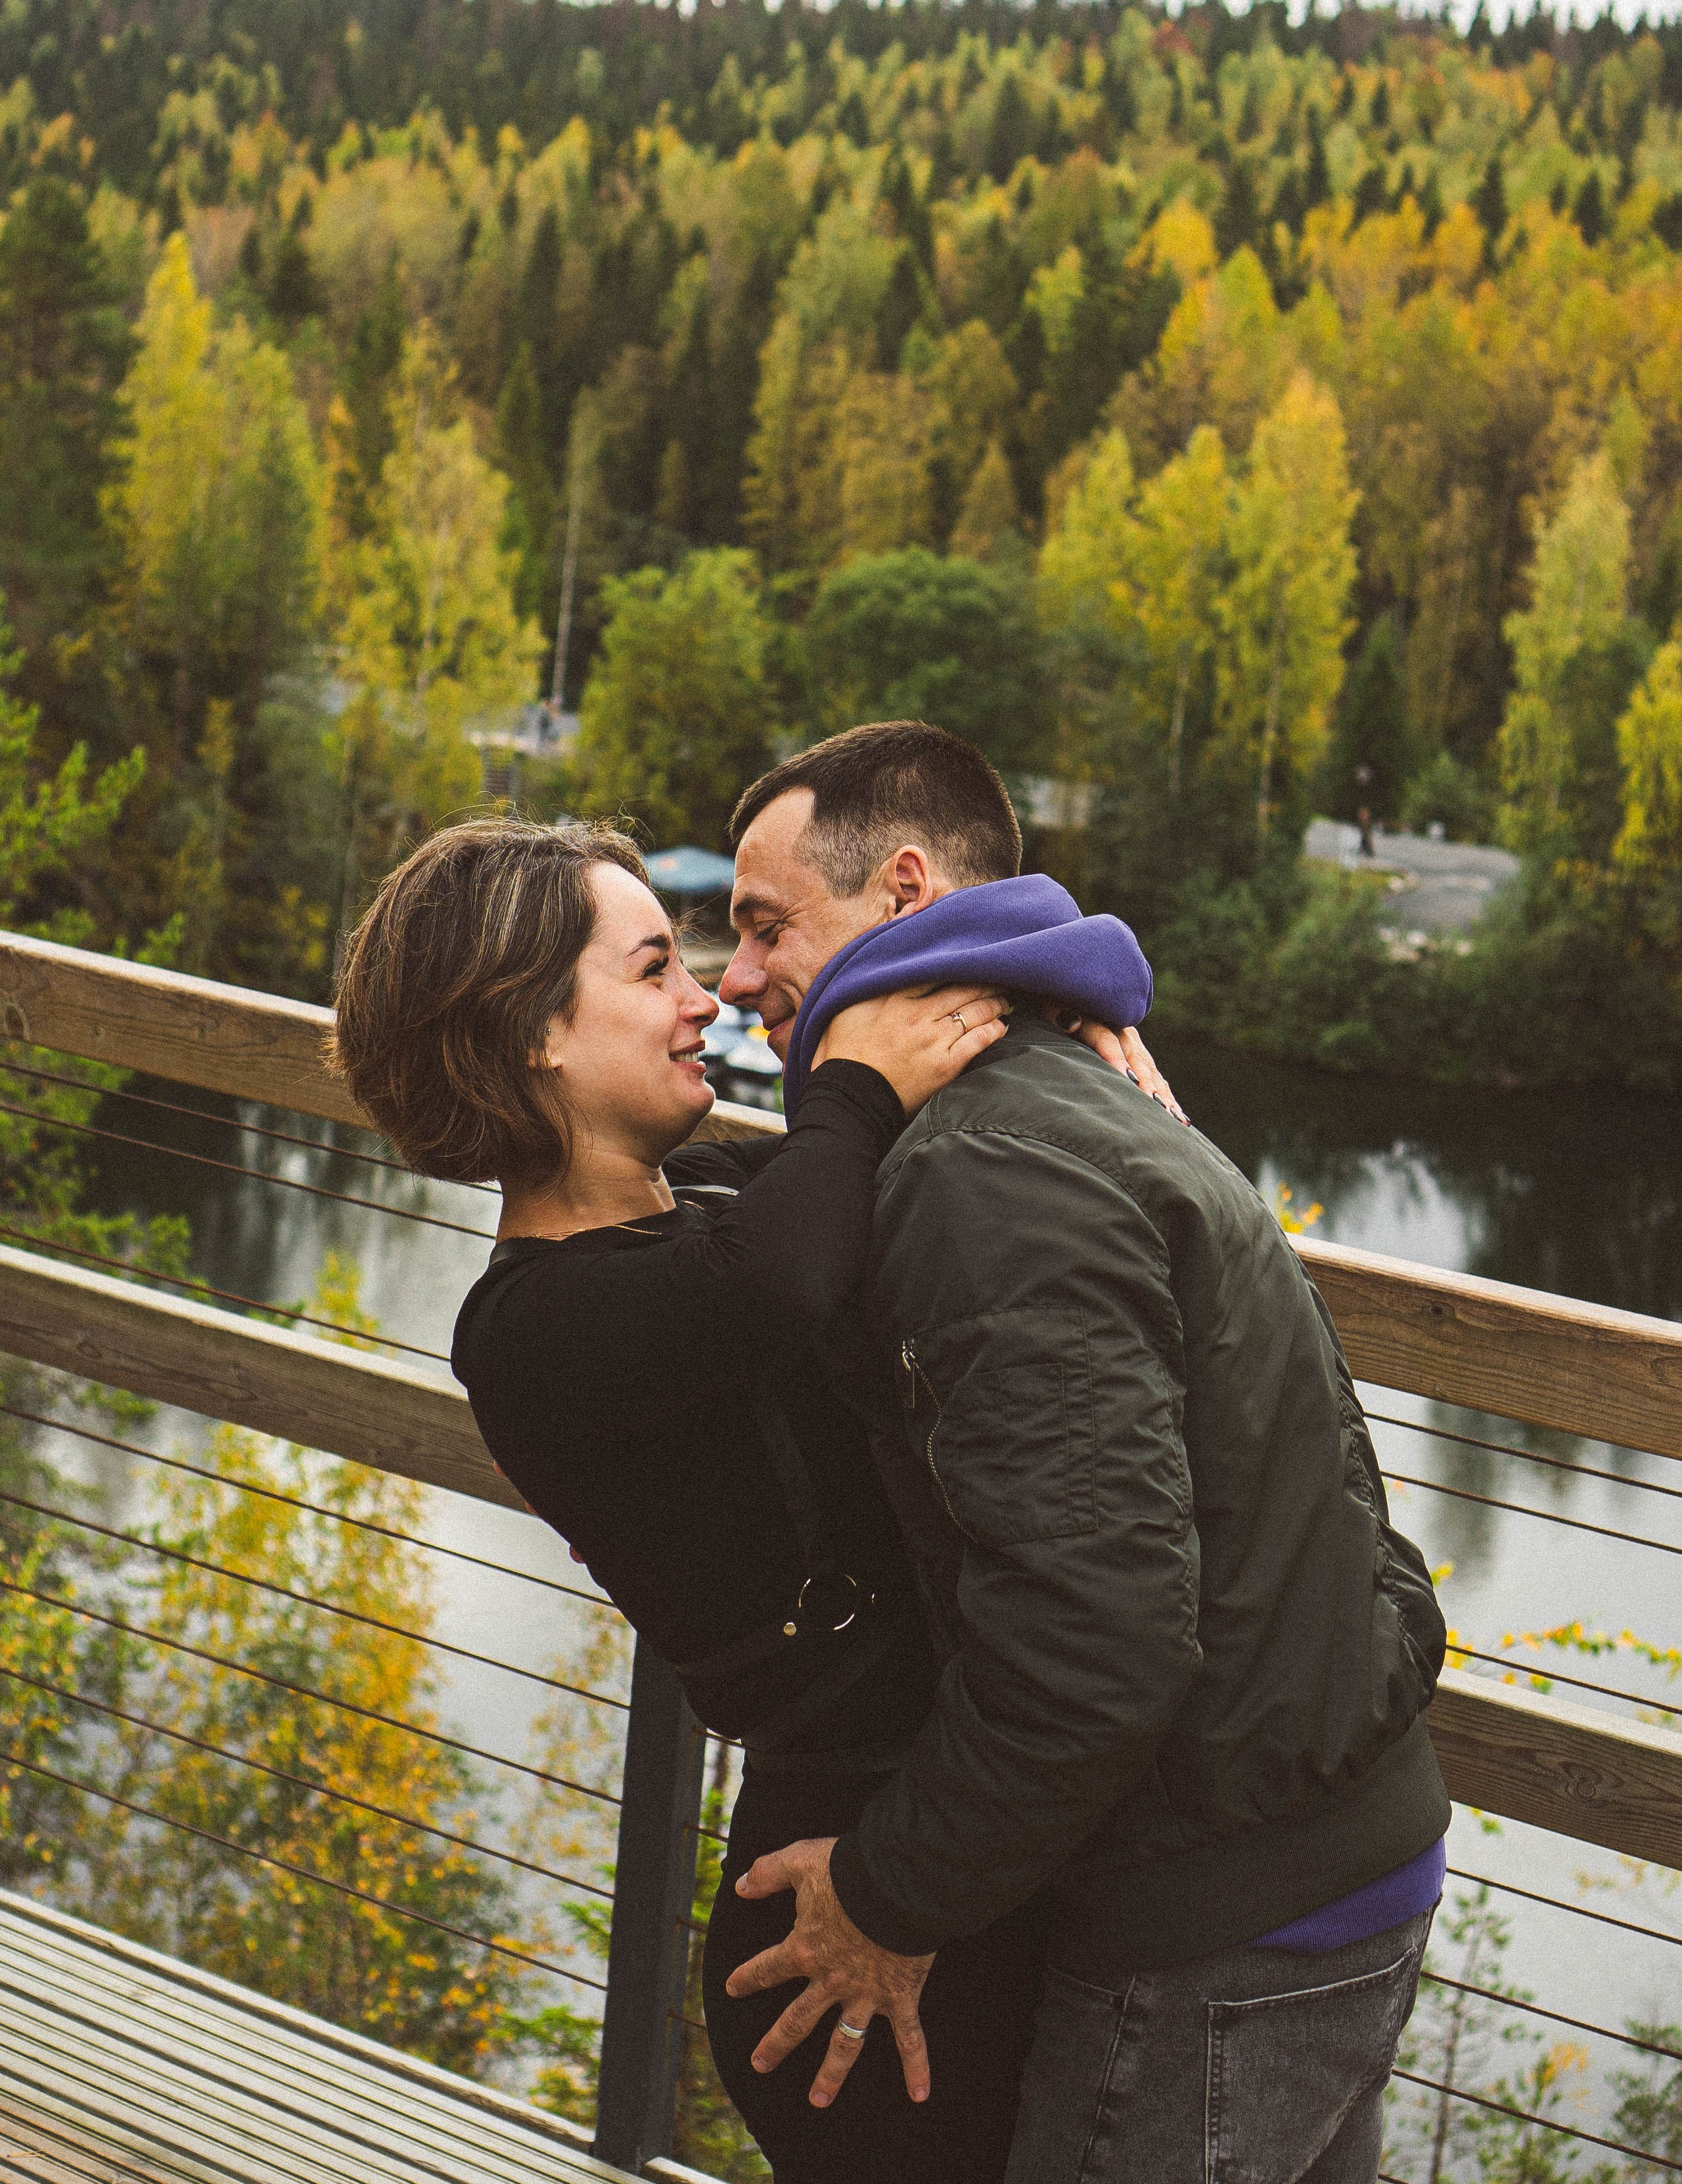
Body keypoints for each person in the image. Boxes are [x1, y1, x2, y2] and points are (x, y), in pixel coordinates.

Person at [329, 814, 1161, 2183]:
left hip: (927, 1859)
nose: (703, 998)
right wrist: (843, 1085)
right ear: (532, 1030)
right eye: (654, 968)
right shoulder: (531, 1326)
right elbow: (779, 1275)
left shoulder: (707, 1188)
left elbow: (885, 1188)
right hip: (838, 1921)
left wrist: (1074, 1052)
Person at [714, 723, 1451, 2184]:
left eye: (762, 925)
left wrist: (887, 1896)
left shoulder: (986, 1173)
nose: (733, 979)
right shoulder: (1067, 1097)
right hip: (1308, 1858)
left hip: (1214, 1922)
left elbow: (1093, 1639)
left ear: (903, 890)